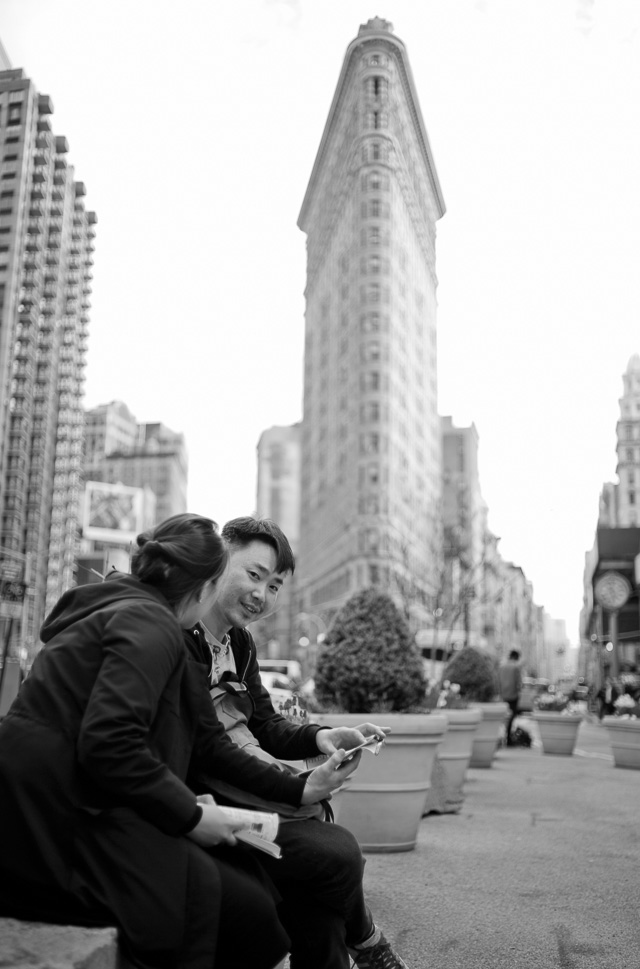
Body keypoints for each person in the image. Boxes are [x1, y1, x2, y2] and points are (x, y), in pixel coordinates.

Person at [0, 513, 333, 969]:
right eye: (248, 576)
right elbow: (111, 745)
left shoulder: (145, 618)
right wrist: (192, 814)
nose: (257, 595)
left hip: (80, 802)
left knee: (251, 898)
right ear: (205, 585)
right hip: (55, 819)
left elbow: (206, 741)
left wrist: (299, 789)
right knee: (243, 910)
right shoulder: (151, 626)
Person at [184, 516, 410, 969]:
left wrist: (325, 737)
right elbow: (207, 749)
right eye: (254, 575)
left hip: (255, 795)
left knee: (321, 916)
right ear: (218, 559)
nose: (261, 596)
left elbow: (266, 724)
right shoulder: (179, 641)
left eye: (274, 586)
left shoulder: (240, 645)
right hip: (215, 813)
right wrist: (299, 788)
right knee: (337, 854)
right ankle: (367, 943)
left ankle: (362, 945)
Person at [498, 649, 523, 745]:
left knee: (504, 717)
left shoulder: (502, 666)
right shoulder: (516, 667)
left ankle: (503, 736)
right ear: (516, 657)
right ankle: (508, 738)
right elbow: (519, 683)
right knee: (511, 716)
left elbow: (498, 680)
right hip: (513, 695)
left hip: (503, 695)